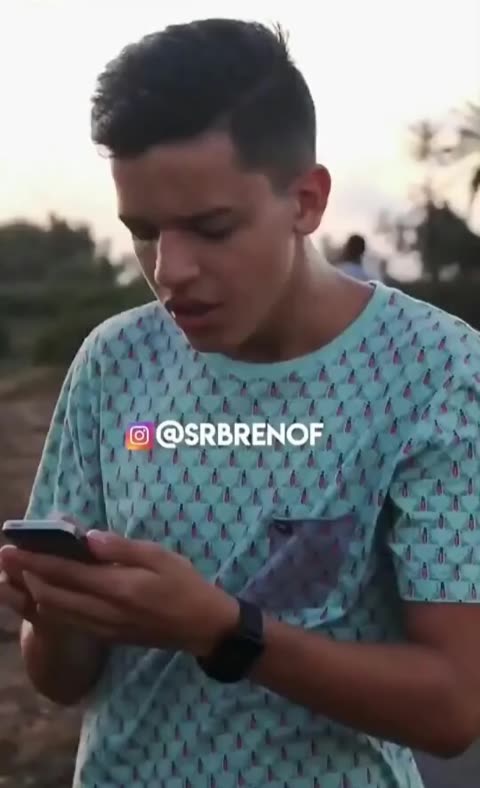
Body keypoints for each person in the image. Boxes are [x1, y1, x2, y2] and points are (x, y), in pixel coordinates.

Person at [1, 18, 480, 788]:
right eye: (143, 231)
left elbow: (454, 707)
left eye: (211, 228)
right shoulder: (114, 361)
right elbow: (61, 681)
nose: (170, 270)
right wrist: (55, 614)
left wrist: (223, 632)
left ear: (307, 201)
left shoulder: (435, 373)